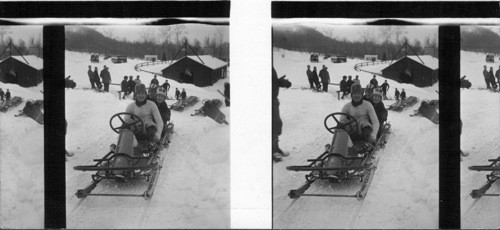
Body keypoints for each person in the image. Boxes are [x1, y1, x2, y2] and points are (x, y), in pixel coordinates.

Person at [272, 67, 292, 162]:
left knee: (276, 125)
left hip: (273, 101)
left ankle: (276, 148)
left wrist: (280, 82)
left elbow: (272, 82)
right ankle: (271, 152)